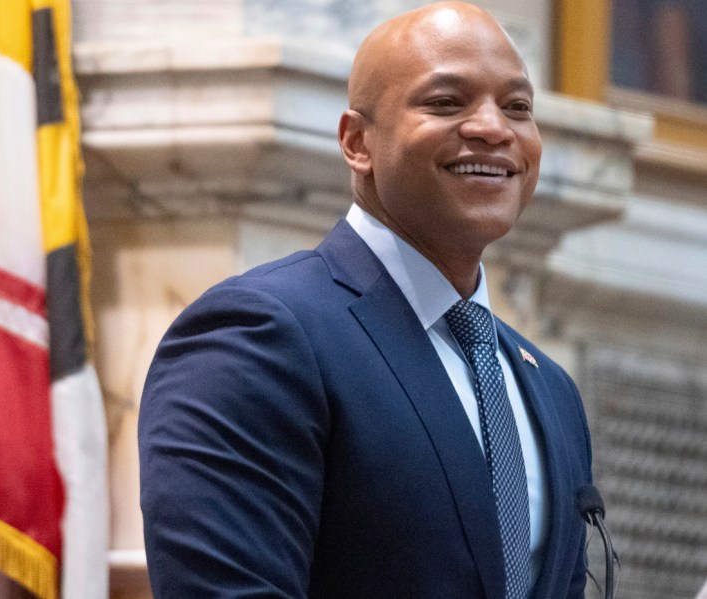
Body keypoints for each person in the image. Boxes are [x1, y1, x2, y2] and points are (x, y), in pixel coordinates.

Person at [138, 2, 593, 597]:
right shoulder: (259, 333)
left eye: (518, 107)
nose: (494, 128)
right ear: (357, 142)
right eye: (446, 102)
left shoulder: (548, 387)